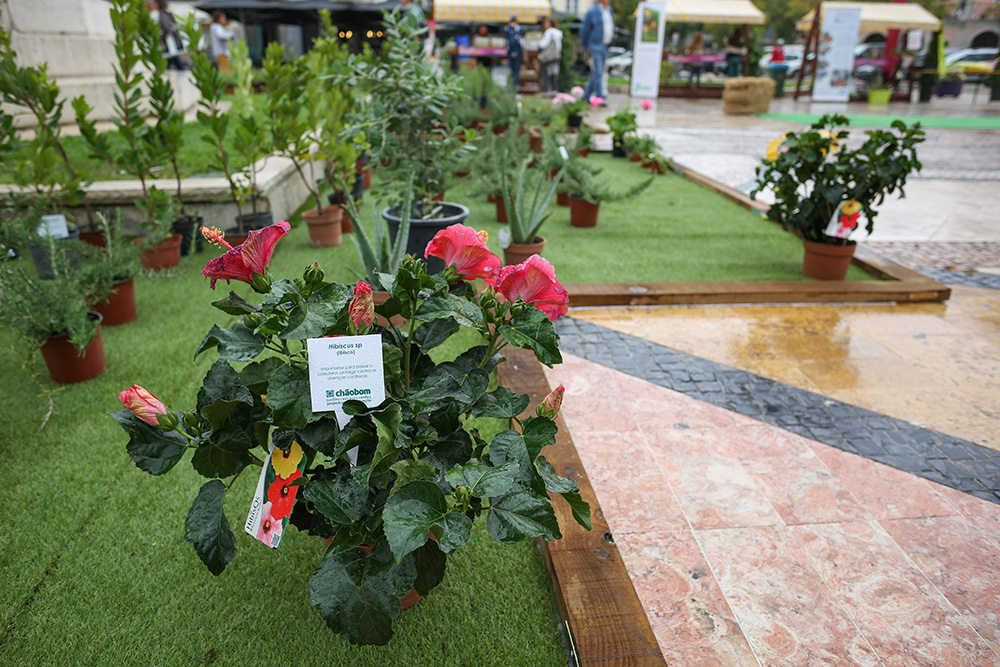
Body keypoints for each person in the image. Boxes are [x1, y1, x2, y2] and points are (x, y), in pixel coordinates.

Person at [580, 0, 613, 102]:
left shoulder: (609, 11)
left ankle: (586, 96)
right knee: (598, 72)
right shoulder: (592, 11)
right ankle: (600, 97)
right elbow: (585, 29)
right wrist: (585, 45)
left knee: (597, 73)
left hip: (605, 45)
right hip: (595, 45)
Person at [155, 1, 185, 70]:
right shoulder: (168, 13)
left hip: (168, 41)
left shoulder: (162, 14)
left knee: (171, 58)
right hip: (171, 41)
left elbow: (166, 27)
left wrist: (162, 36)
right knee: (171, 59)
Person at [537, 16, 562, 95]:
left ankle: (545, 91)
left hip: (548, 57)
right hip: (556, 56)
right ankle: (554, 90)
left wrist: (537, 45)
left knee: (545, 74)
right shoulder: (558, 33)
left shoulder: (549, 32)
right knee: (554, 73)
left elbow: (543, 44)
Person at [504, 16, 526, 92]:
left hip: (516, 53)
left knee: (515, 71)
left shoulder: (516, 29)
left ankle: (514, 88)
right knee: (513, 71)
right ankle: (512, 87)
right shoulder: (509, 29)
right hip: (512, 53)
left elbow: (522, 43)